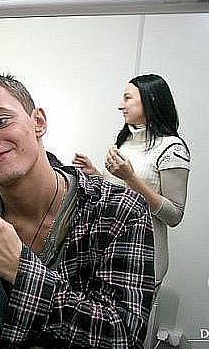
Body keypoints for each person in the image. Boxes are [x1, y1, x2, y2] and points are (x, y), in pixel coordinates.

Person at [0, 73, 154, 348]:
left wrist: (20, 271)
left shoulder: (117, 210)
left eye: (0, 121)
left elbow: (123, 337)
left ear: (38, 122)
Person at [72, 74, 190, 288]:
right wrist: (96, 174)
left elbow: (174, 215)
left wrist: (131, 178)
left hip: (144, 257)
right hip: (111, 251)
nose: (121, 105)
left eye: (127, 98)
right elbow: (120, 191)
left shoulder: (172, 148)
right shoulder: (125, 140)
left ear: (150, 99)